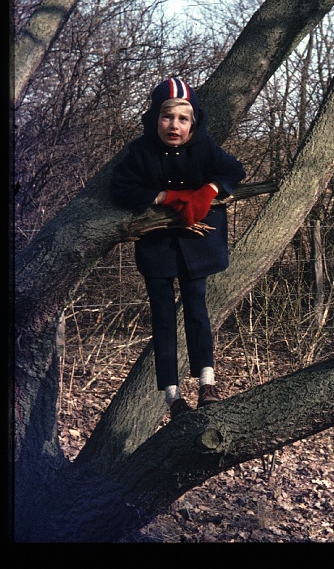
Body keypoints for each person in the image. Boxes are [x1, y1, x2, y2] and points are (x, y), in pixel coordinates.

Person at [111, 77, 245, 419]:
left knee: (197, 311)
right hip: (157, 247)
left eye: (183, 119)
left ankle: (207, 383)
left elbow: (234, 170)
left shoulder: (205, 148)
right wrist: (162, 197)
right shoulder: (141, 152)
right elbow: (120, 188)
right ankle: (172, 396)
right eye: (167, 117)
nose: (174, 126)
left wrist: (208, 190)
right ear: (155, 117)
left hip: (196, 245)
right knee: (163, 319)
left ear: (193, 122)